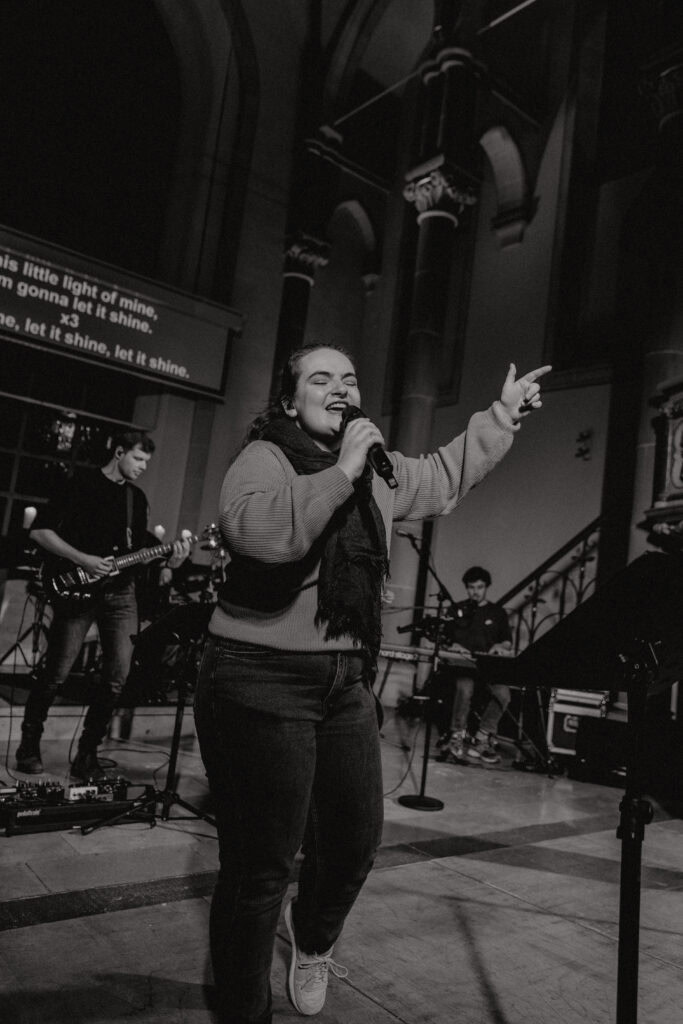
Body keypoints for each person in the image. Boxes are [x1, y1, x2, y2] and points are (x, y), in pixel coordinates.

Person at [193, 342, 550, 1024]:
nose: (339, 388)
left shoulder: (377, 470)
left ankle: (312, 938)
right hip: (259, 675)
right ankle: (242, 1010)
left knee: (355, 840)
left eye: (350, 379)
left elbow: (442, 476)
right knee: (262, 865)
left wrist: (501, 416)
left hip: (345, 679)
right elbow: (262, 535)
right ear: (289, 399)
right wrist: (342, 470)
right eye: (320, 378)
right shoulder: (264, 458)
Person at [14, 431, 191, 779]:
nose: (143, 467)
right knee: (56, 673)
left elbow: (137, 553)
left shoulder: (136, 499)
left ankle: (87, 753)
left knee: (117, 677)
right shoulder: (80, 484)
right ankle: (28, 744)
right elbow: (39, 532)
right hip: (77, 589)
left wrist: (170, 559)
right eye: (138, 459)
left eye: (147, 462)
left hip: (121, 594)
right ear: (119, 452)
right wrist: (84, 559)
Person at [436, 565, 513, 765]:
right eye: (471, 587)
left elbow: (507, 641)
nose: (475, 592)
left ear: (486, 587)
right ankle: (456, 736)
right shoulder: (457, 610)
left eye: (479, 587)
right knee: (464, 688)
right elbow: (444, 639)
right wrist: (453, 646)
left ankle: (482, 737)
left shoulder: (497, 612)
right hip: (463, 665)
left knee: (503, 694)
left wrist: (500, 646)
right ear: (466, 588)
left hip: (488, 666)